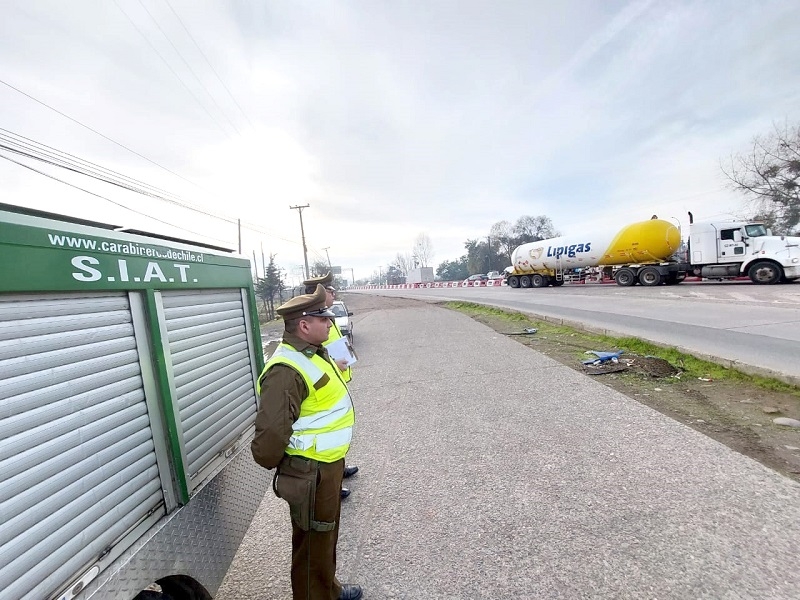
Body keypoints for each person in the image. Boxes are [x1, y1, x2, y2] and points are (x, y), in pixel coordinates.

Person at [251, 284, 363, 600]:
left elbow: (345, 371)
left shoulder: (318, 350)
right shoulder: (287, 368)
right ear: (304, 325)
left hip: (326, 466)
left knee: (323, 537)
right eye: (324, 317)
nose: (330, 322)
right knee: (312, 543)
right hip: (309, 470)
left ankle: (328, 589)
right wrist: (289, 465)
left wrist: (333, 340)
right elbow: (271, 436)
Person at [303, 272, 359, 499]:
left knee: (337, 431)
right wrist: (332, 363)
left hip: (336, 378)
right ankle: (329, 486)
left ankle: (338, 469)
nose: (334, 294)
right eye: (330, 290)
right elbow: (311, 351)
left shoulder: (328, 315)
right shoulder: (310, 319)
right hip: (325, 383)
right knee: (327, 434)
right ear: (320, 293)